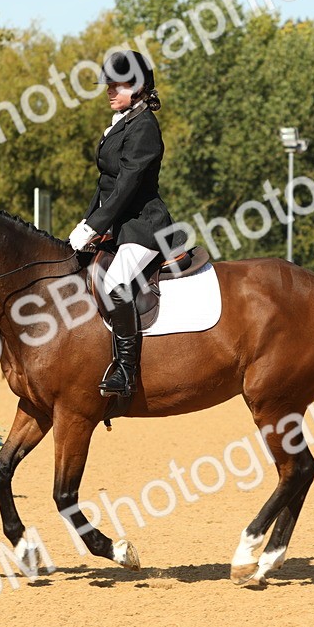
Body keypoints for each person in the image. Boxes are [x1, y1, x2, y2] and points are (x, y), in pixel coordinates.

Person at [67, 50, 177, 397]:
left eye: (120, 84)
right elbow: (106, 184)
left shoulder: (144, 127)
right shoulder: (123, 122)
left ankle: (126, 371)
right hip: (118, 225)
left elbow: (128, 185)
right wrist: (87, 223)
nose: (111, 90)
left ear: (141, 86)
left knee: (115, 283)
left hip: (143, 227)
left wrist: (95, 225)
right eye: (109, 84)